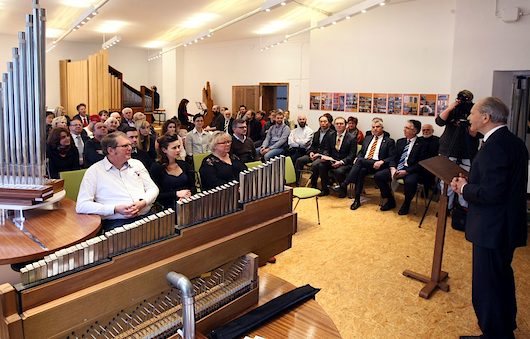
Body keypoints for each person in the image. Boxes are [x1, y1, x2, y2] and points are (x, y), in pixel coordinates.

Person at [450, 97, 528, 339]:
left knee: (488, 286)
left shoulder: (496, 146)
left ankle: (494, 334)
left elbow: (492, 192)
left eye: (472, 113)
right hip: (505, 226)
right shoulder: (512, 142)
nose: (468, 117)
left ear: (486, 117)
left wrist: (464, 188)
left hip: (492, 228)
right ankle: (503, 330)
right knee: (500, 279)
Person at [76, 132, 159, 231]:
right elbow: (82, 205)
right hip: (117, 222)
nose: (130, 148)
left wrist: (143, 202)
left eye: (130, 145)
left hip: (145, 214)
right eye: (125, 146)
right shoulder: (94, 171)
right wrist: (114, 209)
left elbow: (153, 188)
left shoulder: (137, 164)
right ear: (111, 150)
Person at [436, 89, 480, 209]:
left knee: (465, 180)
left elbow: (476, 134)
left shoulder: (475, 111)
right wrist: (451, 107)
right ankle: (446, 208)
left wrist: (468, 125)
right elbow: (439, 121)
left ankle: (464, 207)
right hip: (448, 150)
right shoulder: (454, 109)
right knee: (445, 181)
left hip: (467, 152)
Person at [373, 120, 426, 215]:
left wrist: (406, 171)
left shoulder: (423, 144)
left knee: (410, 182)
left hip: (411, 171)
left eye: (407, 128)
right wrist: (392, 168)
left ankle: (406, 203)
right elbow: (393, 157)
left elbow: (421, 163)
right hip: (397, 168)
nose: (404, 130)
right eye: (404, 127)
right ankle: (390, 199)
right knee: (379, 176)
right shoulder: (400, 141)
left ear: (414, 131)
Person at [342, 118, 396, 211]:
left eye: (377, 127)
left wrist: (382, 161)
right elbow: (362, 152)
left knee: (360, 162)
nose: (375, 129)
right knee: (360, 170)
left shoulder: (389, 141)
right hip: (366, 164)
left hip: (379, 165)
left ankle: (345, 183)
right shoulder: (367, 138)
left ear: (382, 128)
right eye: (373, 127)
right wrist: (357, 157)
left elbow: (392, 157)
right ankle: (357, 200)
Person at [150, 134, 195, 209]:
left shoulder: (184, 164)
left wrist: (188, 194)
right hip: (168, 206)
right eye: (174, 148)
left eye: (179, 146)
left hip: (187, 202)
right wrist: (176, 194)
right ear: (164, 150)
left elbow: (193, 186)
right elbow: (156, 195)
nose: (178, 150)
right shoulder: (156, 168)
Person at [317, 117, 357, 197]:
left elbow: (352, 155)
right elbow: (327, 149)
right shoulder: (330, 135)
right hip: (332, 160)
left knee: (339, 171)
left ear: (345, 125)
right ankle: (325, 189)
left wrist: (341, 162)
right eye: (337, 124)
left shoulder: (352, 138)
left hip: (345, 163)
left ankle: (343, 190)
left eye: (341, 124)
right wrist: (325, 156)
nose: (339, 125)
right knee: (321, 165)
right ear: (334, 125)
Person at [295, 115, 335, 186]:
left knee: (314, 164)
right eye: (321, 121)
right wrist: (311, 152)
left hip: (324, 156)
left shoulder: (332, 134)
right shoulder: (316, 133)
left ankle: (313, 185)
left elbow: (330, 149)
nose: (323, 123)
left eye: (325, 121)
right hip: (314, 154)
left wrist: (319, 155)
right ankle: (297, 182)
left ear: (328, 123)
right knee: (299, 160)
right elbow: (313, 146)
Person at [418, 123, 440, 197]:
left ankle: (426, 189)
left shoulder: (438, 140)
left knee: (428, 172)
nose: (426, 132)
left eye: (428, 130)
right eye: (424, 130)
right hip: (420, 164)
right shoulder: (418, 140)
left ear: (432, 131)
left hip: (433, 164)